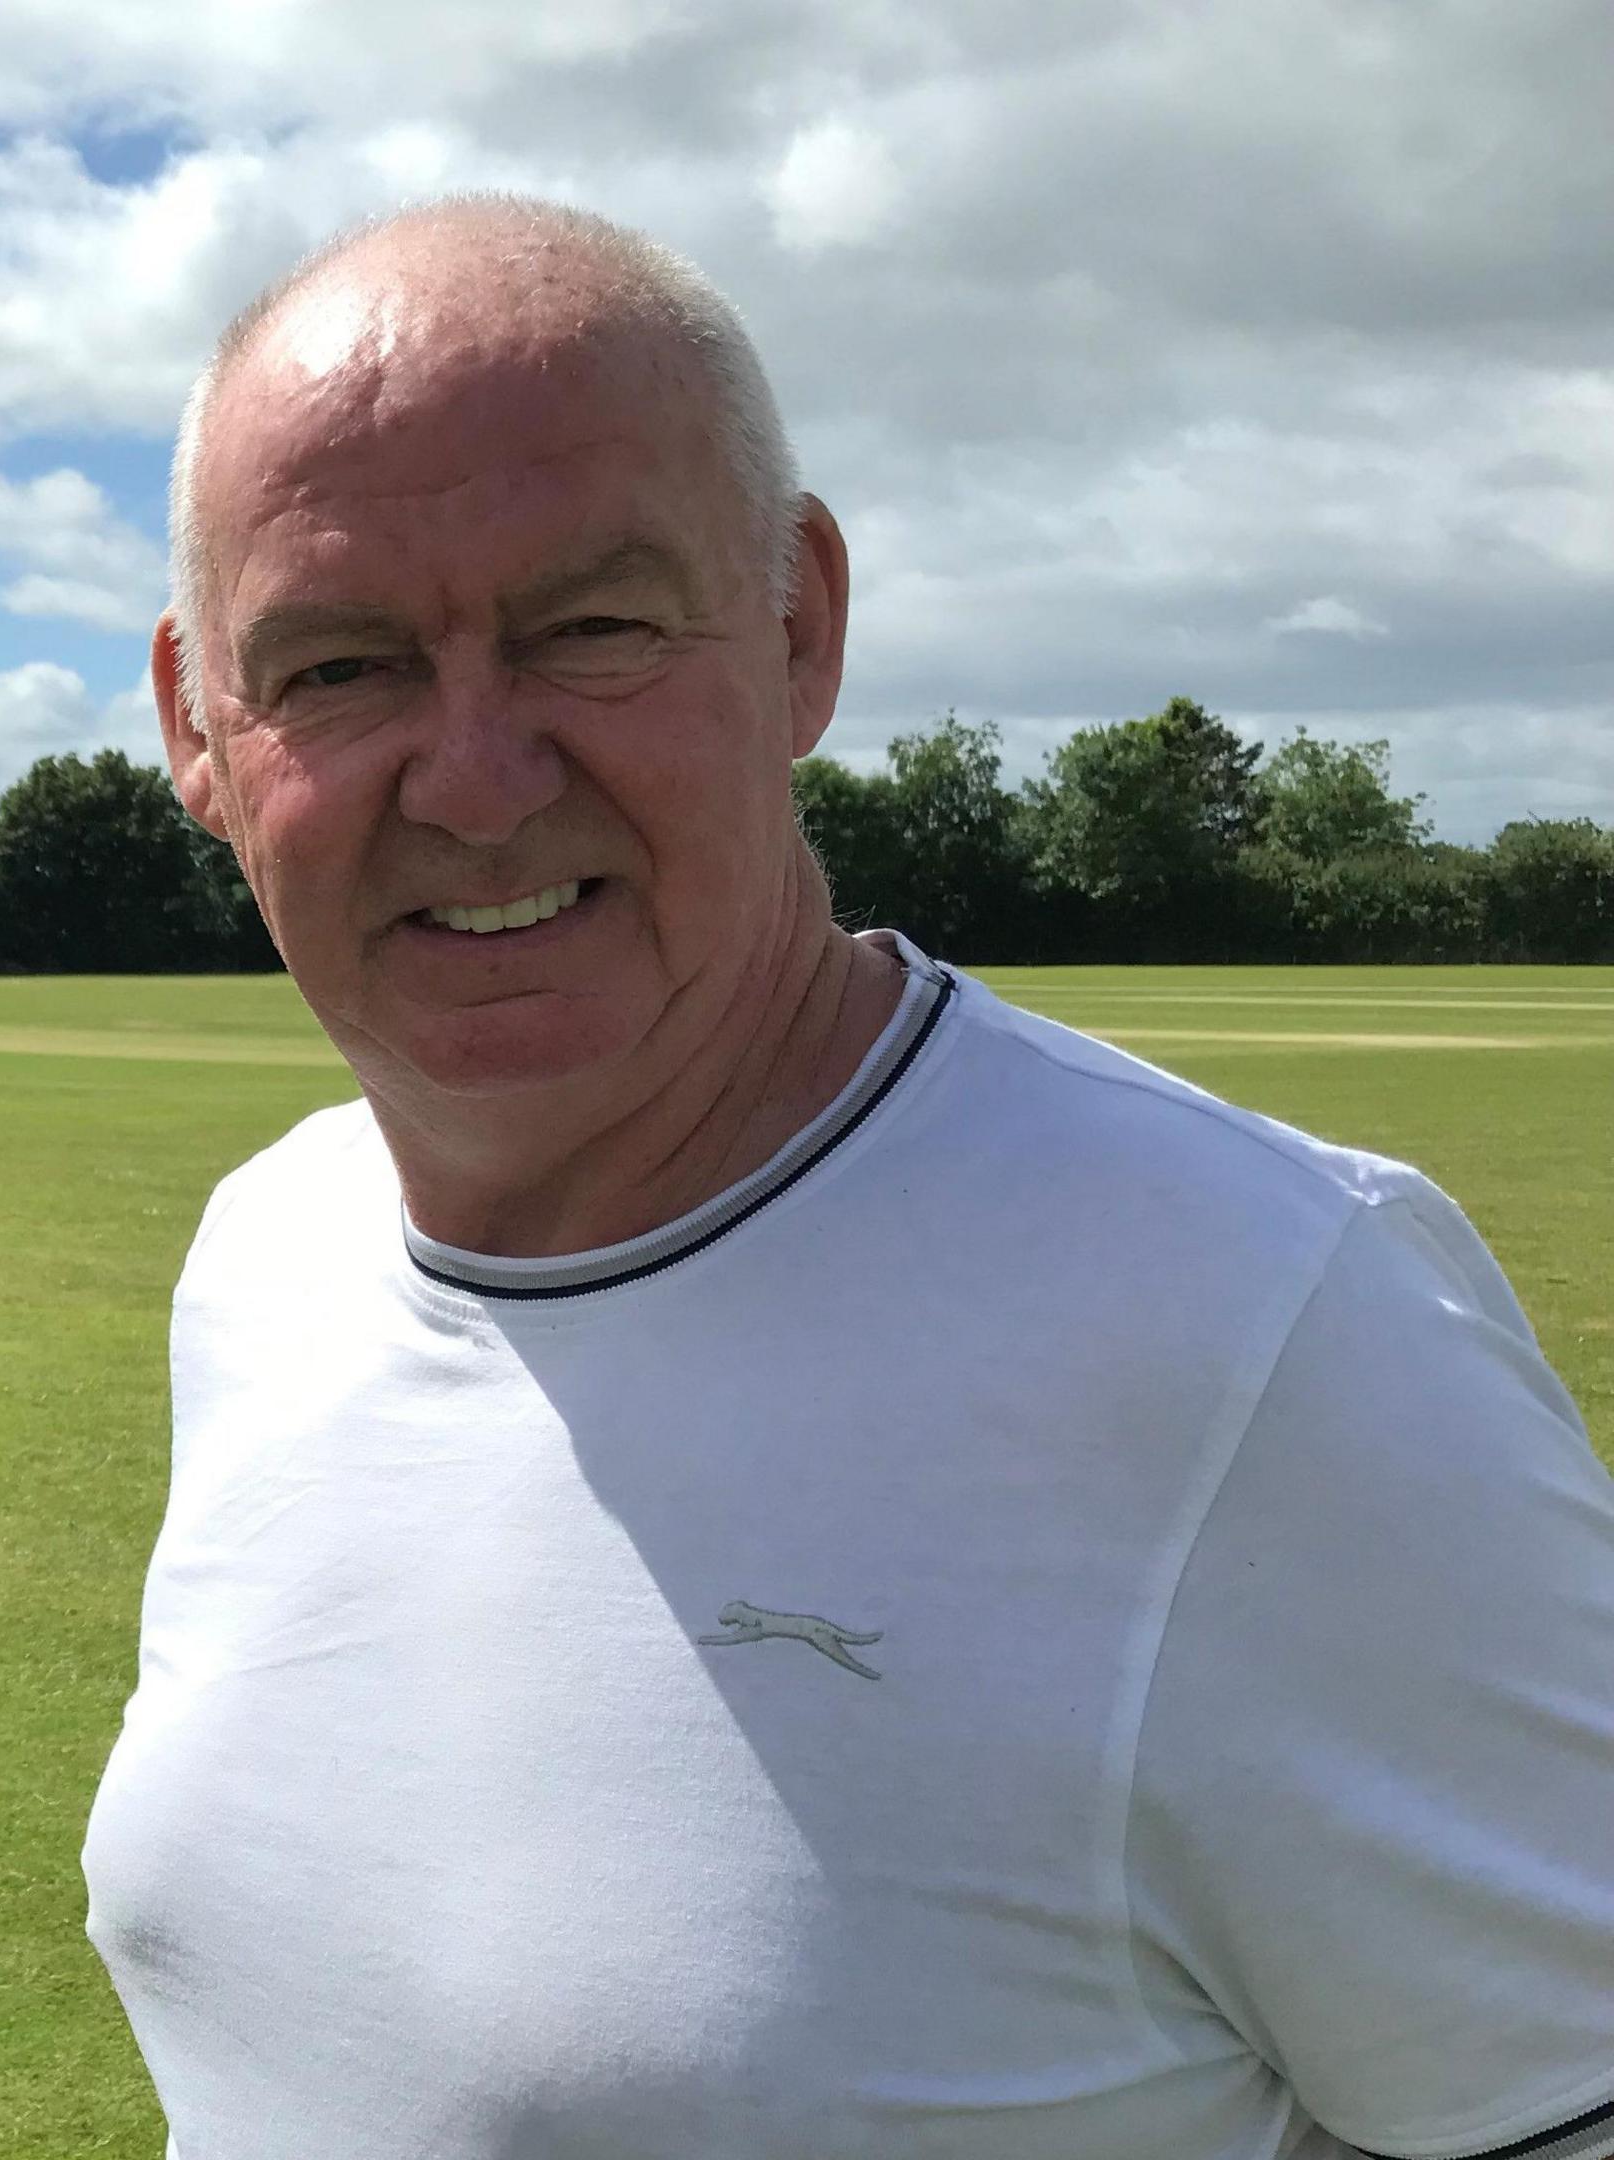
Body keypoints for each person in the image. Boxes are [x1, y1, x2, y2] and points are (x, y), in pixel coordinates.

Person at [81, 197, 1614, 2160]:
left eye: (592, 627)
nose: (473, 778)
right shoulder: (268, 1261)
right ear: (197, 729)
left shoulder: (1263, 1322)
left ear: (798, 627)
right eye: (341, 665)